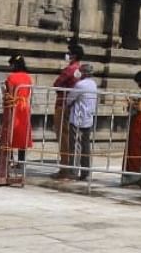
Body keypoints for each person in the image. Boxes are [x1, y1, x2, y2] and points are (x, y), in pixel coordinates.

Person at [52, 42, 84, 179]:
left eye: (69, 53)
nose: (67, 55)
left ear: (73, 55)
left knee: (64, 137)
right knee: (73, 138)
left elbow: (57, 84)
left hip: (63, 106)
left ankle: (65, 169)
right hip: (76, 107)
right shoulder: (81, 70)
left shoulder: (70, 70)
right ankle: (72, 167)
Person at [67, 62, 98, 181]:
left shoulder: (80, 84)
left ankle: (73, 170)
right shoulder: (93, 84)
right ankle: (85, 170)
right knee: (85, 146)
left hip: (77, 118)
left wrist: (68, 105)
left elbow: (70, 98)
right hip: (88, 118)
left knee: (75, 145)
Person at [3, 54, 34, 169]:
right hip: (24, 106)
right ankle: (21, 161)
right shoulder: (27, 77)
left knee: (9, 132)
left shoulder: (11, 77)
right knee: (23, 134)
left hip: (14, 106)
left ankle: (9, 159)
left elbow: (8, 93)